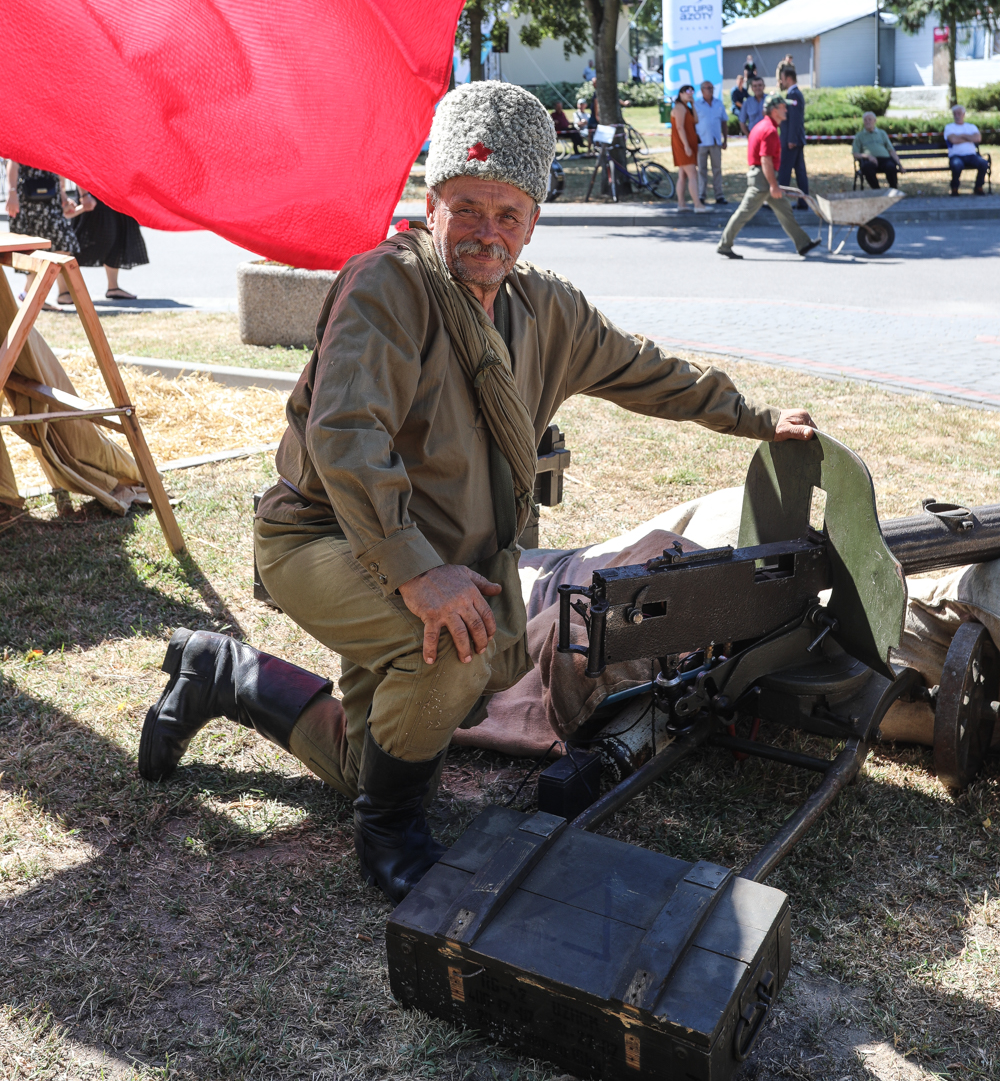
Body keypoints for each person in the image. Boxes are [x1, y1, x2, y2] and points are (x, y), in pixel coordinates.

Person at [137, 82, 817, 905]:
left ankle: (226, 673)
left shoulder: (549, 312)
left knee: (375, 751)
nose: (485, 234)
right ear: (432, 203)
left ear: (534, 221)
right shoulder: (387, 286)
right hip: (326, 537)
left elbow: (650, 372)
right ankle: (389, 832)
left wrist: (758, 420)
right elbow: (345, 436)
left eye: (508, 214)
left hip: (436, 555)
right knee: (452, 653)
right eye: (466, 208)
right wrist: (419, 574)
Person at [717, 94, 820, 259]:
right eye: (783, 107)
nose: (786, 110)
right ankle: (724, 244)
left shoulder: (762, 125)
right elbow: (765, 160)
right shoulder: (770, 130)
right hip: (762, 178)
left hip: (762, 175)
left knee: (785, 209)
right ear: (774, 110)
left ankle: (803, 243)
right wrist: (773, 185)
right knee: (745, 212)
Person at [4, 161, 81, 305]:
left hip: (51, 197)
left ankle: (33, 294)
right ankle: (35, 297)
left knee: (64, 244)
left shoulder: (53, 141)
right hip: (27, 199)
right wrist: (12, 192)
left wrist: (63, 195)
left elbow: (57, 166)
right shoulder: (23, 139)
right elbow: (13, 163)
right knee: (33, 252)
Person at [72, 192, 149, 299]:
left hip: (115, 195)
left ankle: (113, 287)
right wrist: (84, 195)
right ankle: (65, 291)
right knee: (80, 244)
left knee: (118, 238)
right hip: (96, 196)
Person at [777, 63, 810, 209]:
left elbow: (795, 119)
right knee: (800, 171)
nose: (781, 82)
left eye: (782, 79)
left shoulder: (793, 94)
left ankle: (778, 202)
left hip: (792, 141)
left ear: (789, 79)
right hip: (795, 140)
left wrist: (791, 139)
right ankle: (803, 201)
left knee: (784, 171)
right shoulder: (794, 94)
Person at [670, 83, 706, 212]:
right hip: (683, 145)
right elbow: (679, 127)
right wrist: (686, 146)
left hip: (689, 144)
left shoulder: (687, 107)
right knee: (692, 174)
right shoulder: (679, 107)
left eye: (691, 91)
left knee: (683, 175)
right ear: (680, 94)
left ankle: (681, 204)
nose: (690, 93)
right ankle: (697, 204)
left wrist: (693, 104)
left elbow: (696, 120)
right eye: (687, 91)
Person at [693, 80, 729, 205]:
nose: (710, 90)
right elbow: (692, 124)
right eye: (707, 88)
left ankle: (719, 195)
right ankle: (701, 195)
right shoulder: (696, 105)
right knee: (701, 170)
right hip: (701, 142)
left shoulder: (718, 104)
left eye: (711, 87)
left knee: (717, 169)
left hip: (715, 142)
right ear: (702, 90)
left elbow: (724, 122)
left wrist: (725, 139)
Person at [943, 105, 990, 195]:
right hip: (956, 155)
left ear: (963, 114)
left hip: (971, 155)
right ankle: (954, 188)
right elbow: (953, 140)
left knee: (983, 163)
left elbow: (977, 138)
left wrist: (960, 135)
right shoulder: (949, 127)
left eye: (959, 113)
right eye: (955, 113)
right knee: (957, 165)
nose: (957, 115)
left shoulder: (971, 127)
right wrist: (969, 137)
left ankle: (978, 187)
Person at [852, 113, 902, 190]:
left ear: (874, 121)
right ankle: (877, 190)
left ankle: (893, 189)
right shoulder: (859, 136)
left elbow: (891, 150)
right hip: (869, 160)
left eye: (869, 119)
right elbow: (855, 153)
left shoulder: (882, 133)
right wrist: (868, 156)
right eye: (865, 120)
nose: (867, 122)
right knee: (866, 168)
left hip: (884, 159)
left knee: (891, 166)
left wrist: (900, 165)